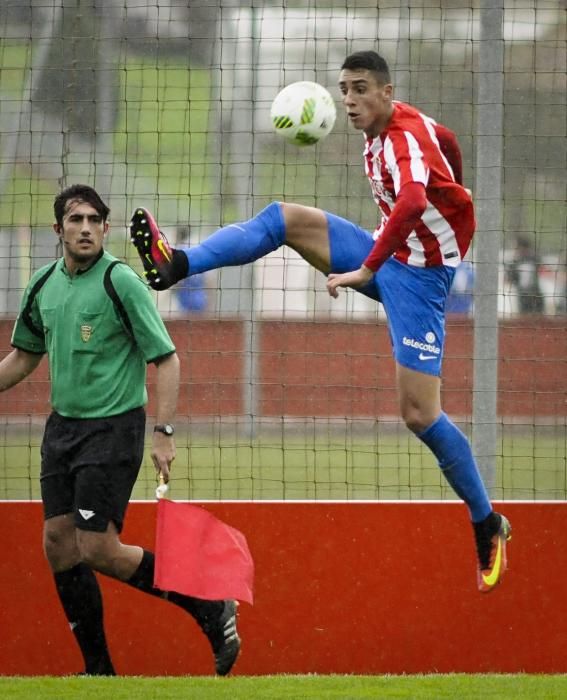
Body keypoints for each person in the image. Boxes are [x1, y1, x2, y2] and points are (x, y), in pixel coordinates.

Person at [130, 51, 511, 593]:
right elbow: (446, 140)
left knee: (419, 413)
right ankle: (177, 264)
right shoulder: (393, 124)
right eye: (344, 89)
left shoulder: (401, 138)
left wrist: (368, 268)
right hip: (388, 253)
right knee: (281, 218)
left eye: (359, 89)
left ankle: (486, 521)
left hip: (419, 280)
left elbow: (411, 200)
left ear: (386, 91)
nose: (349, 100)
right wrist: (457, 190)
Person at [0, 184, 240, 675]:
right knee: (57, 544)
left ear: (106, 228)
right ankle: (99, 673)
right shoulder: (42, 285)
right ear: (58, 229)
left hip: (113, 428)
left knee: (97, 547)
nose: (85, 228)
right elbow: (25, 355)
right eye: (75, 220)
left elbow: (167, 359)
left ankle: (208, 607)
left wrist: (164, 431)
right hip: (61, 430)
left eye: (94, 220)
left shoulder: (121, 281)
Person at [504, 234, 544, 314]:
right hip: (526, 296)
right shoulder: (516, 261)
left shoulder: (532, 258)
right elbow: (508, 279)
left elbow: (508, 279)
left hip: (533, 295)